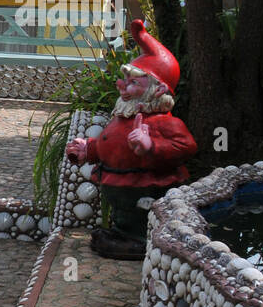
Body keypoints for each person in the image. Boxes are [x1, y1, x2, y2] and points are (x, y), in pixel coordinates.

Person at [65, 19, 197, 259]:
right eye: (125, 81)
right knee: (123, 211)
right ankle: (122, 233)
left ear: (157, 90)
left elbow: (186, 147)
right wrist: (89, 150)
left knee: (140, 211)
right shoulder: (123, 116)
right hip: (118, 183)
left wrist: (151, 146)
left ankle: (140, 238)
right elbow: (111, 143)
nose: (123, 87)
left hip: (145, 184)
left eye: (133, 82)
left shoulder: (165, 123)